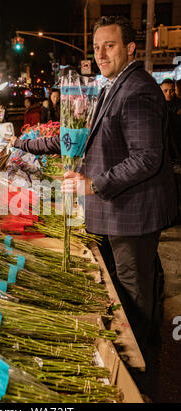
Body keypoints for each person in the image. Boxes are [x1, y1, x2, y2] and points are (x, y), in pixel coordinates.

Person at [62, 16, 178, 360]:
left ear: (130, 48)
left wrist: (94, 184)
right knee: (136, 281)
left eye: (109, 46)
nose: (100, 54)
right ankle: (145, 344)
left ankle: (141, 363)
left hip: (132, 213)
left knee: (133, 288)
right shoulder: (116, 83)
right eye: (96, 47)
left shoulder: (138, 88)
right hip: (123, 211)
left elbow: (146, 157)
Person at [160, 79, 181, 163]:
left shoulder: (178, 103)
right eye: (165, 91)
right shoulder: (158, 104)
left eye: (171, 90)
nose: (168, 93)